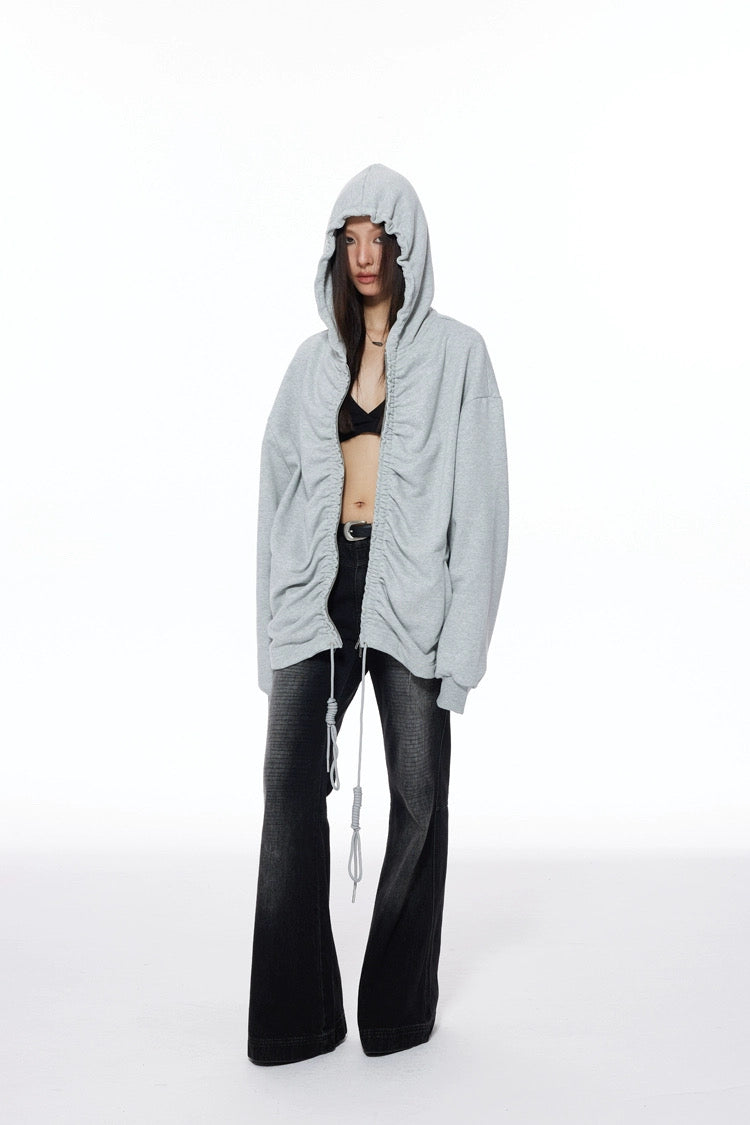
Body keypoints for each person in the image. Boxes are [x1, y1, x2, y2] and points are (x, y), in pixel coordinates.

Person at [247, 163, 509, 1065]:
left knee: (420, 796)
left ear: (409, 247)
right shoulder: (310, 362)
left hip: (411, 589)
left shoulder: (461, 356)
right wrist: (267, 634)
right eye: (350, 240)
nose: (364, 257)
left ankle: (396, 1010)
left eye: (380, 240)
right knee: (288, 784)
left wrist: (463, 652)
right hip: (316, 585)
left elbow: (481, 512)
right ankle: (296, 1017)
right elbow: (274, 498)